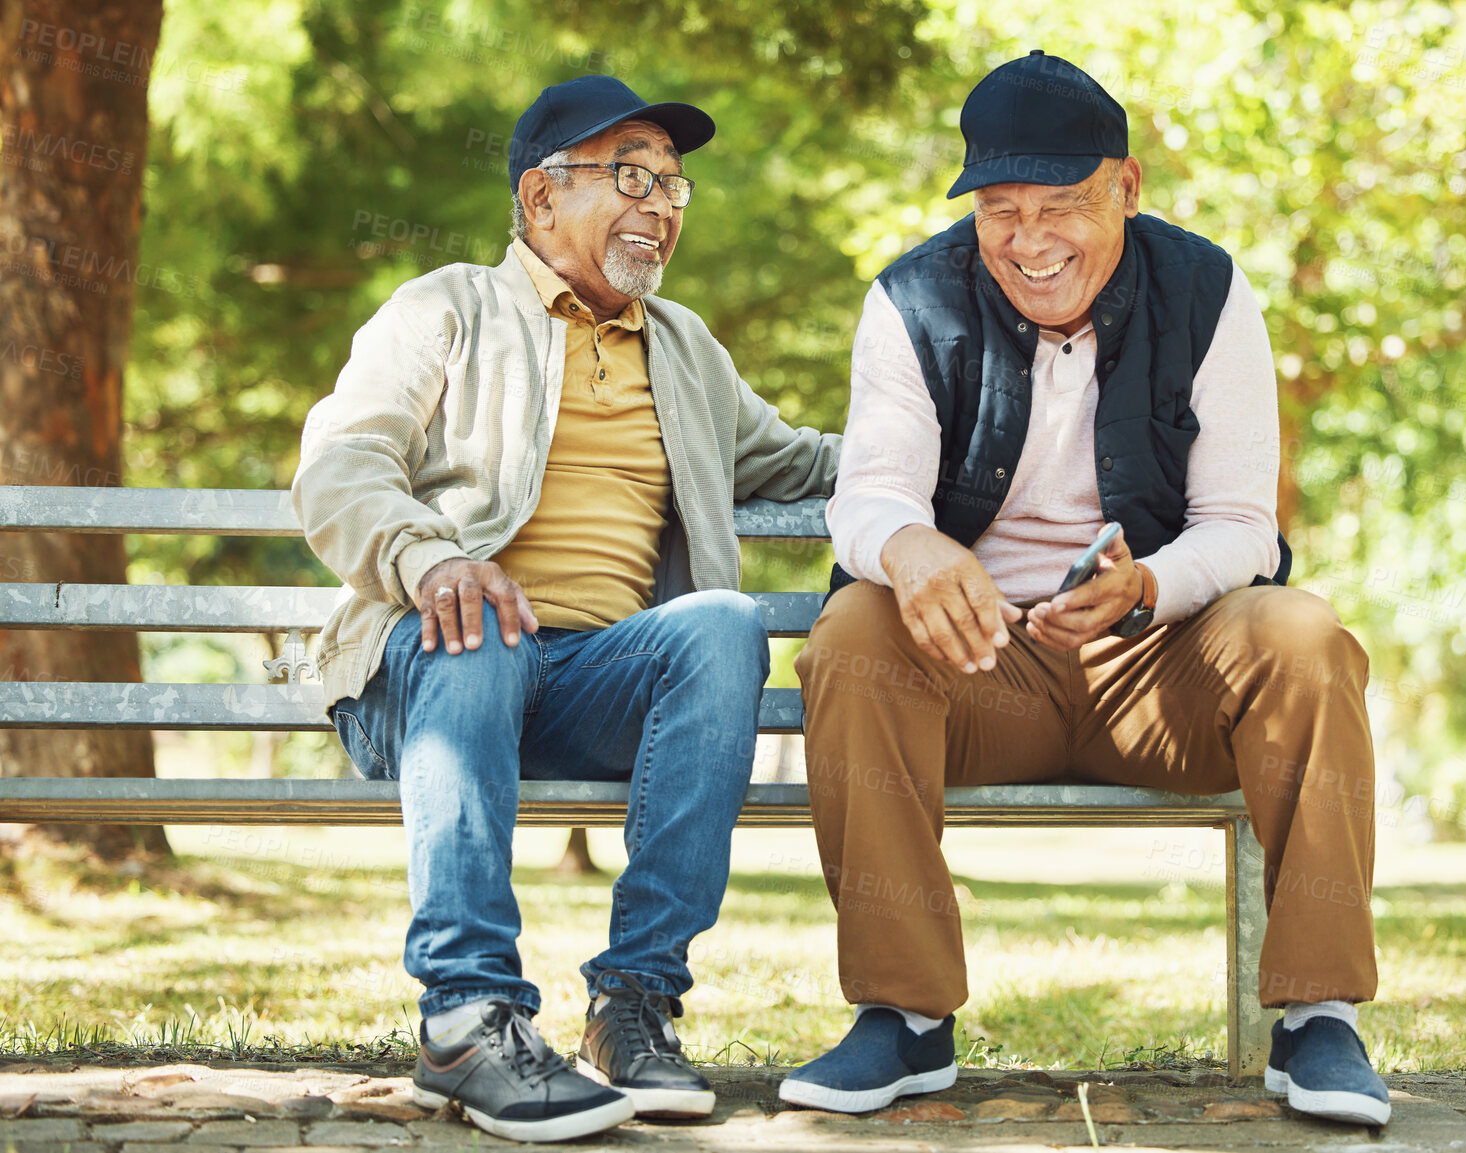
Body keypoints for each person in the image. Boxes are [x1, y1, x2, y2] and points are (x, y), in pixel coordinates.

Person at [778, 51, 1388, 1127]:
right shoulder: (912, 298)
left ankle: (1318, 1017)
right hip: (978, 670)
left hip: (1158, 671)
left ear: (1128, 188)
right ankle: (902, 1018)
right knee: (852, 631)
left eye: (1061, 204)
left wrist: (1147, 583)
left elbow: (1242, 528)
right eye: (1000, 210)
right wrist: (915, 552)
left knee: (1303, 632)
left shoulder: (1207, 290)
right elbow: (869, 497)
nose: (1028, 239)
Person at [292, 75, 840, 1143]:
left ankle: (632, 1006)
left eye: (674, 183)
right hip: (429, 665)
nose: (662, 202)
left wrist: (972, 440)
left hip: (592, 683)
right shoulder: (443, 308)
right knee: (480, 626)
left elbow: (810, 460)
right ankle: (465, 1017)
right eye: (631, 174)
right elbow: (341, 464)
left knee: (725, 624)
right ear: (542, 199)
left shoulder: (687, 350)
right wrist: (429, 559)